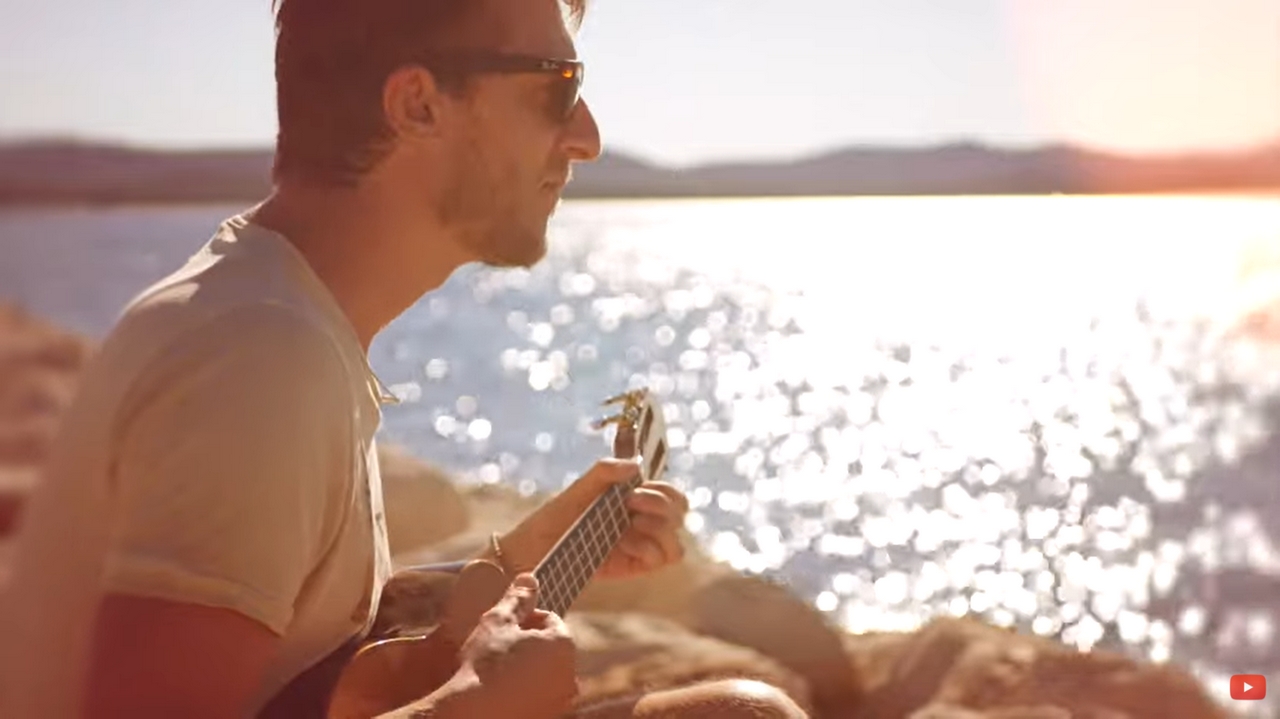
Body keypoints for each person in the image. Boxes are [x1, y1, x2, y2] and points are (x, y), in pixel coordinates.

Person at [0, 0, 809, 717]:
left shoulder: (276, 314)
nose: (589, 137)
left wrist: (529, 556)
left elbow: (304, 666)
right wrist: (470, 707)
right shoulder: (257, 358)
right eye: (556, 87)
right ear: (418, 104)